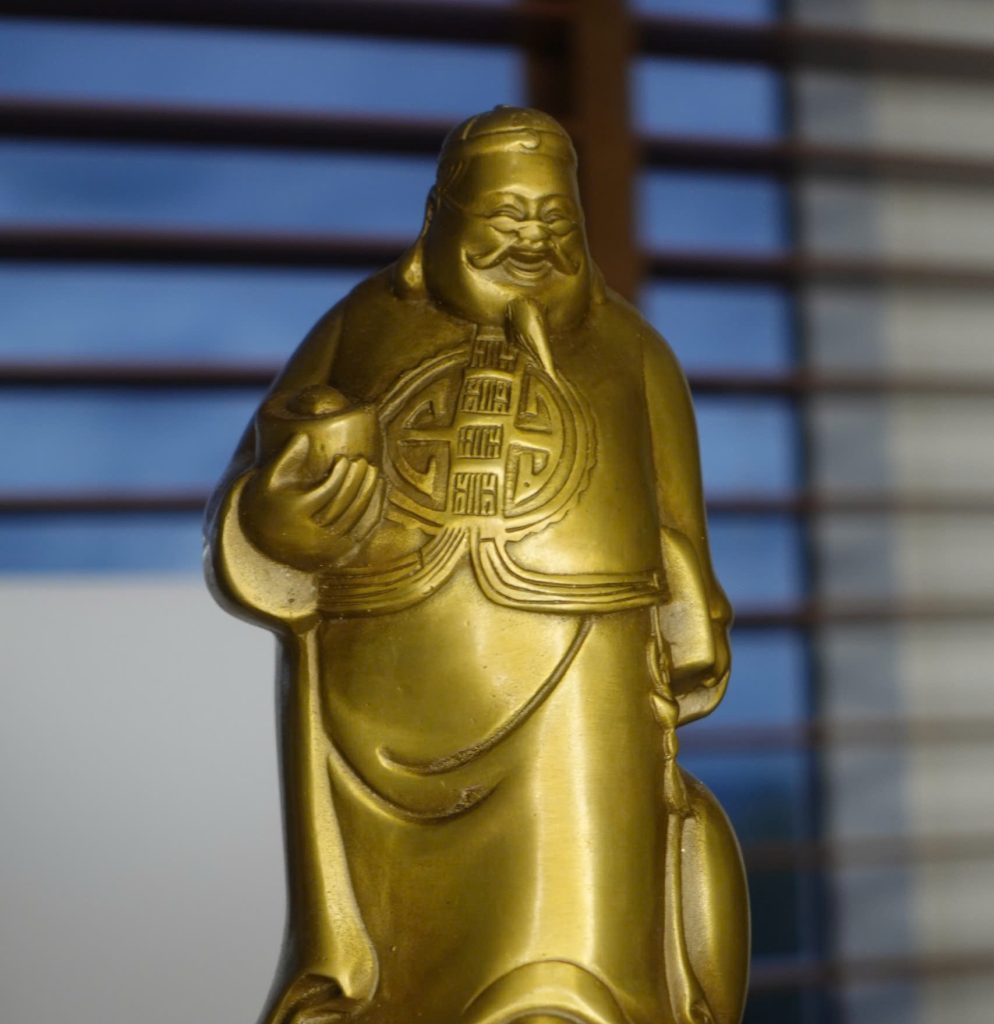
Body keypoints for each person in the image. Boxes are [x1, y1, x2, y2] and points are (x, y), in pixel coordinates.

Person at [206, 106, 748, 1024]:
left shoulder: (633, 352)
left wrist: (692, 614)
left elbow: (681, 533)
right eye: (504, 215)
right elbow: (251, 498)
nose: (531, 239)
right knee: (387, 972)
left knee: (574, 956)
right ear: (438, 218)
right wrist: (284, 521)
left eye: (555, 218)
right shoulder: (358, 328)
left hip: (581, 686)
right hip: (376, 704)